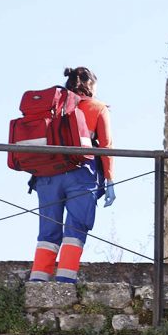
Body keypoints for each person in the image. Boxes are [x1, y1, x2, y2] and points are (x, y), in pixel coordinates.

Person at [29, 67, 116, 283]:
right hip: (81, 175)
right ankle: (65, 281)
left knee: (48, 231)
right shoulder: (98, 108)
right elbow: (106, 146)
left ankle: (38, 279)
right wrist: (110, 179)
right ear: (91, 85)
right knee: (76, 226)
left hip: (47, 175)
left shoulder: (53, 106)